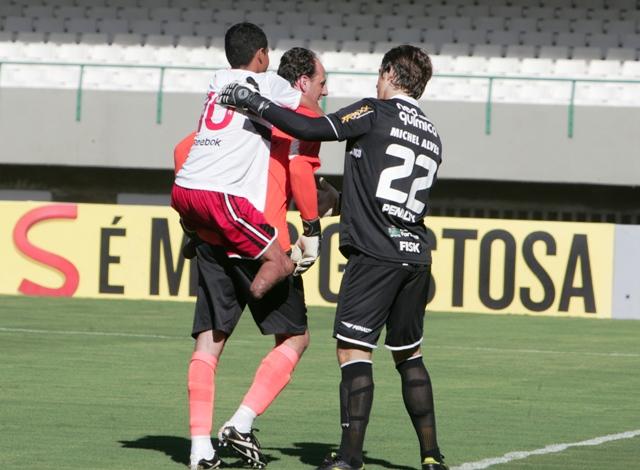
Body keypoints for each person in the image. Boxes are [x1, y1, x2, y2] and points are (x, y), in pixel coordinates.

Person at [217, 45, 448, 470]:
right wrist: (341, 200)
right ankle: (431, 456)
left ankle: (350, 458)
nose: (375, 83)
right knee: (409, 355)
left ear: (391, 74)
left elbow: (313, 125)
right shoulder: (432, 133)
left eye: (380, 75)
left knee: (353, 351)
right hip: (415, 254)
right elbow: (391, 195)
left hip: (374, 255)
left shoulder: (375, 113)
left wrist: (254, 102)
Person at [173, 41, 333, 470]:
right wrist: (313, 227)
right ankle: (241, 422)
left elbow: (182, 151)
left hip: (217, 230)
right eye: (322, 82)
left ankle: (198, 448)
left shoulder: (230, 108)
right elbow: (298, 170)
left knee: (210, 343)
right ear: (301, 82)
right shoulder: (301, 115)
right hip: (263, 236)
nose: (325, 91)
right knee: (296, 338)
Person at [171, 22, 301, 301]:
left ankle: (195, 231)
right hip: (222, 196)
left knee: (210, 335)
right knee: (282, 263)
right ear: (262, 54)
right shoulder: (268, 83)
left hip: (183, 192)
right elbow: (308, 108)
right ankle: (253, 294)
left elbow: (180, 148)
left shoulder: (217, 79)